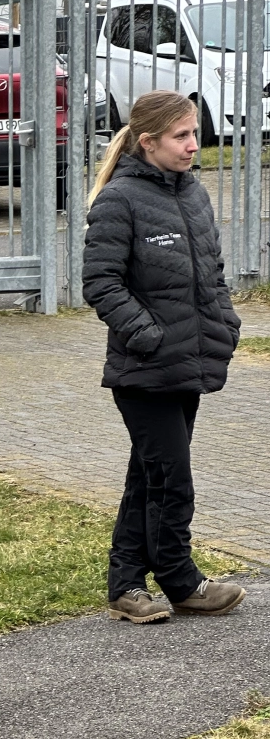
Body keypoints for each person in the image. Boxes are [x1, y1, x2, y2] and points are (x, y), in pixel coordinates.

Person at [82, 89, 246, 623]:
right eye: (181, 136)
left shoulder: (194, 194)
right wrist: (146, 334)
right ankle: (180, 579)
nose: (193, 145)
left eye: (195, 133)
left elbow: (212, 274)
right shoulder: (119, 200)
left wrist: (225, 323)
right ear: (148, 142)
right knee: (172, 479)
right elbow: (101, 283)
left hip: (188, 364)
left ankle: (126, 583)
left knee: (148, 477)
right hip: (143, 370)